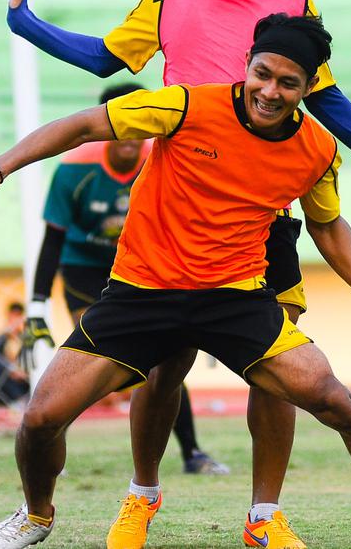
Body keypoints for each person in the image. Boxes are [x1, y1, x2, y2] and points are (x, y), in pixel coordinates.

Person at [6, 0, 351, 548]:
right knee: (162, 365)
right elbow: (103, 60)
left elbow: (325, 96)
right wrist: (25, 22)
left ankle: (263, 514)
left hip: (263, 211)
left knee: (280, 376)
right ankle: (141, 495)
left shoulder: (293, 4)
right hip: (181, 201)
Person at [0, 14, 351, 549]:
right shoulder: (185, 105)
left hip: (234, 298)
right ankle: (37, 515)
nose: (269, 91)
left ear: (309, 87)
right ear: (247, 65)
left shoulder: (318, 149)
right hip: (142, 293)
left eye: (288, 82)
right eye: (262, 73)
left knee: (332, 398)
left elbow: (326, 223)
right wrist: (0, 166)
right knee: (42, 417)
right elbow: (84, 126)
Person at [29, 82, 229, 475]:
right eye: (121, 122)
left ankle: (192, 453)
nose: (130, 135)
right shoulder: (73, 169)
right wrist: (37, 305)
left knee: (165, 360)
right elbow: (53, 238)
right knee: (93, 360)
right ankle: (50, 445)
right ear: (104, 123)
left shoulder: (169, 158)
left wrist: (209, 294)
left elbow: (193, 226)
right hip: (87, 269)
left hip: (146, 267)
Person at [0, 302, 31, 407]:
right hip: (4, 380)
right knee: (1, 376)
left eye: (17, 318)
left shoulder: (26, 340)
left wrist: (24, 372)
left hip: (22, 380)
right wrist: (11, 369)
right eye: (11, 318)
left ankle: (23, 400)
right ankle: (18, 401)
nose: (14, 322)